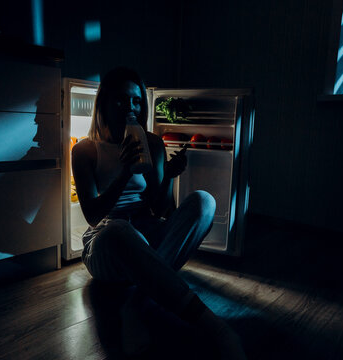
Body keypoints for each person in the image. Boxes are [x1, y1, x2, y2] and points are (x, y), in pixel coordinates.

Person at [72, 67, 247, 359]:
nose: (130, 107)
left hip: (146, 231)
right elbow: (92, 216)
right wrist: (125, 173)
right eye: (121, 100)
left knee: (204, 202)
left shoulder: (152, 143)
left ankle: (136, 303)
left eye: (137, 101)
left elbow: (160, 208)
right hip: (106, 242)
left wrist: (169, 177)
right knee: (117, 229)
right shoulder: (86, 151)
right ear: (103, 104)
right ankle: (215, 328)